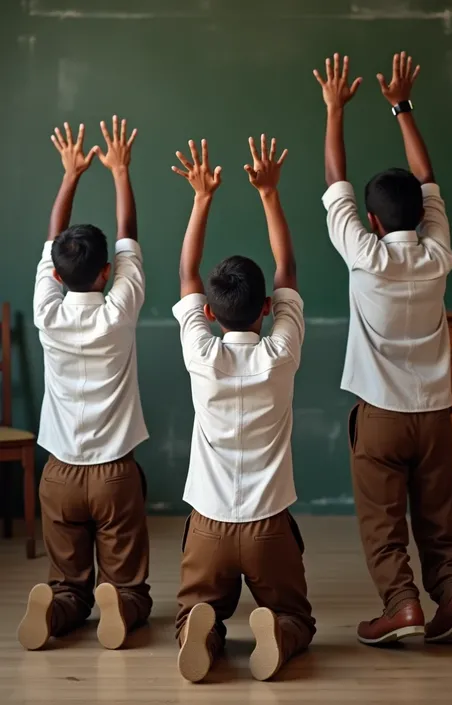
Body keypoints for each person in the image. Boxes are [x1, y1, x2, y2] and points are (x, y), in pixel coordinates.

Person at [314, 51, 452, 645]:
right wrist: (401, 106)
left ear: (374, 223)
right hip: (435, 413)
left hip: (380, 416)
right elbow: (428, 179)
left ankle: (402, 606)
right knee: (438, 520)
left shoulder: (367, 255)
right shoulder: (438, 255)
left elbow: (336, 183)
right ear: (420, 217)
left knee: (382, 524)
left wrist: (335, 110)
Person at [171, 136, 315, 681]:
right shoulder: (280, 355)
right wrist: (270, 193)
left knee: (191, 610)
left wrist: (201, 198)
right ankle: (276, 629)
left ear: (209, 311)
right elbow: (289, 267)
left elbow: (187, 274)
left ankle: (198, 632)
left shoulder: (201, 355)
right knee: (297, 616)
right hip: (268, 525)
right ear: (267, 309)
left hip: (207, 524)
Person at [17, 116, 152, 651]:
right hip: (115, 471)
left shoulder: (46, 311)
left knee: (67, 581)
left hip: (59, 471)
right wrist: (121, 171)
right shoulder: (120, 309)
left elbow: (55, 242)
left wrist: (70, 174)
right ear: (105, 275)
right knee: (129, 584)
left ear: (57, 274)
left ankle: (58, 609)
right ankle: (120, 603)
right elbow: (130, 240)